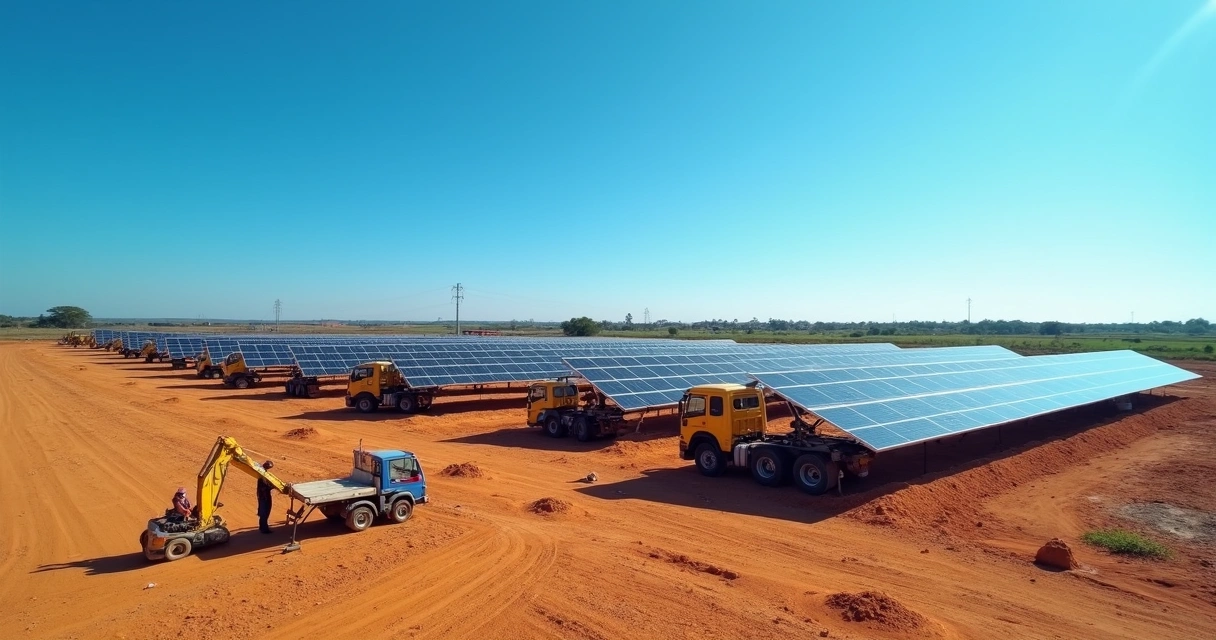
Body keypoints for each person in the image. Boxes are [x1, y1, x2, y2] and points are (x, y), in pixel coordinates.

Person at [257, 460, 275, 534]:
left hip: (263, 496)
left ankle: (262, 527)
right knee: (265, 512)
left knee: (264, 512)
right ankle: (264, 528)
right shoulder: (263, 475)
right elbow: (264, 487)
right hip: (264, 497)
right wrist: (272, 486)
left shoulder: (263, 473)